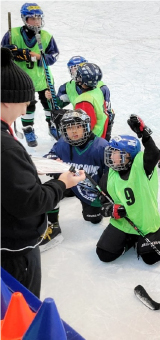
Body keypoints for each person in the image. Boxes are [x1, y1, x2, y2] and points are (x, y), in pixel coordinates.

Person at [1, 47, 84, 297]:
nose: (28, 104)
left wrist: (25, 167)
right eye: (25, 98)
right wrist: (62, 184)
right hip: (14, 250)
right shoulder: (5, 147)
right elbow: (30, 202)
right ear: (5, 99)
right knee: (21, 312)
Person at [96, 115, 160, 265]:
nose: (112, 157)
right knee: (104, 254)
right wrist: (108, 209)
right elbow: (103, 201)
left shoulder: (142, 165)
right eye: (111, 153)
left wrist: (144, 134)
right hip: (123, 222)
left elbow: (154, 153)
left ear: (129, 157)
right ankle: (130, 240)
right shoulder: (109, 174)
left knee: (151, 258)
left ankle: (159, 230)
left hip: (146, 223)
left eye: (117, 154)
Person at [43, 109, 108, 250]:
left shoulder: (101, 146)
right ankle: (52, 225)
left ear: (86, 127)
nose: (73, 131)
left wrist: (105, 187)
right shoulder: (62, 144)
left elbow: (111, 172)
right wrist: (52, 162)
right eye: (69, 127)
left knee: (93, 218)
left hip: (90, 190)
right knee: (46, 192)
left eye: (78, 126)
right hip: (70, 183)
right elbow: (49, 156)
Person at [1, 2, 60, 147]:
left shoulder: (46, 36)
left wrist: (37, 56)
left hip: (43, 79)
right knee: (27, 104)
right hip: (22, 80)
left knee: (49, 103)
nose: (36, 21)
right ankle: (28, 128)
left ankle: (52, 125)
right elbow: (2, 56)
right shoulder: (12, 34)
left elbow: (54, 56)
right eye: (32, 18)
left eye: (39, 18)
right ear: (24, 19)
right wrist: (8, 52)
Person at [45, 55, 115, 141]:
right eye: (73, 69)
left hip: (93, 130)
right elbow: (58, 105)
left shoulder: (101, 88)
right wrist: (51, 99)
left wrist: (106, 134)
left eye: (77, 68)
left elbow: (107, 112)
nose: (75, 72)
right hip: (82, 121)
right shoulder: (67, 87)